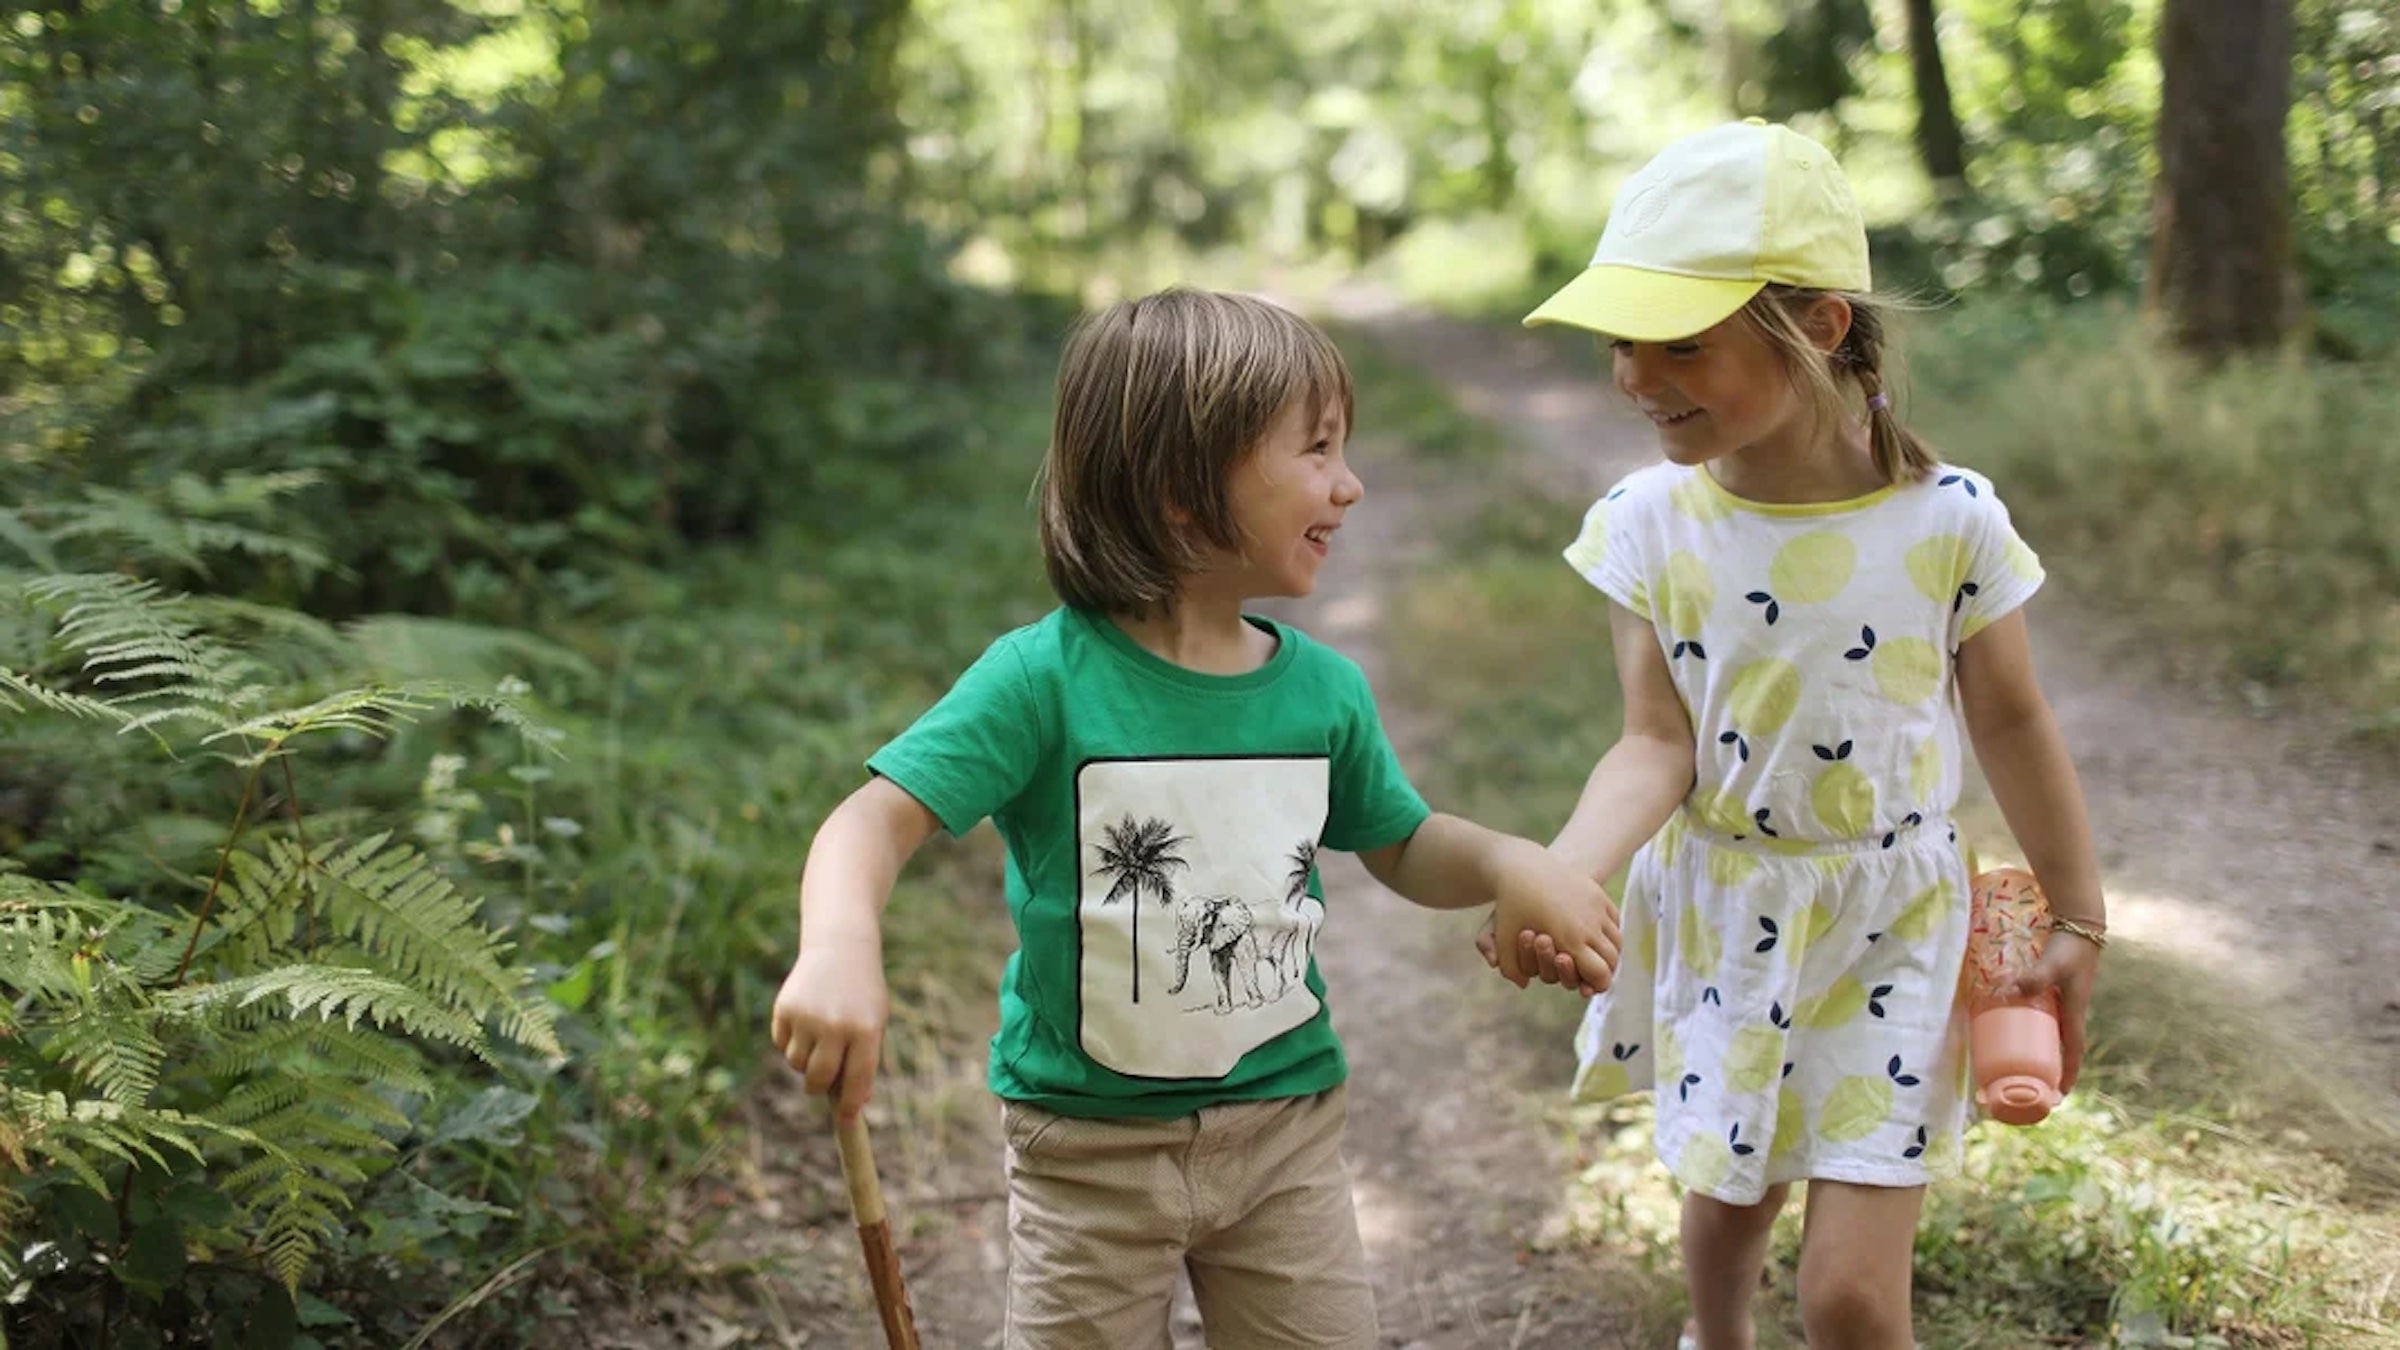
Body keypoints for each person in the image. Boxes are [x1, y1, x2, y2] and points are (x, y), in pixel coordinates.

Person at [770, 287, 1622, 1348]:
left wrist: (1507, 861)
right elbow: (870, 823)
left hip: (1285, 1137)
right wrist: (840, 946)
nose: (1349, 485)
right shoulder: (1041, 681)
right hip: (1086, 1155)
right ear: (1182, 491)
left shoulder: (1322, 691)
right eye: (1315, 451)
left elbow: (1400, 842)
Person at [1486, 121, 2108, 1350]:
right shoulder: (1648, 525)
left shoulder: (1953, 523)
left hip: (1897, 920)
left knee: (1851, 1299)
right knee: (1729, 1189)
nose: (1632, 375)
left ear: (1820, 326)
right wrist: (1559, 870)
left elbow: (2014, 719)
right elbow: (1654, 746)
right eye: (1622, 339)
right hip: (1730, 907)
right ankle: (1713, 1337)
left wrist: (2078, 913)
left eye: (1681, 343)